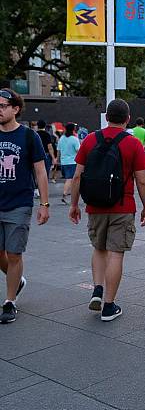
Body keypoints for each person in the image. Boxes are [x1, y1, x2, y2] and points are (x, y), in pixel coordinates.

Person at [69, 99, 145, 322]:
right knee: (116, 253)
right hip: (122, 206)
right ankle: (109, 305)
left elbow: (77, 176)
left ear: (107, 117)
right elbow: (142, 180)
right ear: (127, 119)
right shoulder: (133, 143)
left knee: (99, 248)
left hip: (95, 205)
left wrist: (75, 204)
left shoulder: (89, 140)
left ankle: (97, 288)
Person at [0, 89, 49, 324]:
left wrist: (45, 204)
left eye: (2, 106)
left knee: (14, 253)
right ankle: (17, 280)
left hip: (19, 203)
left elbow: (40, 171)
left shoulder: (29, 137)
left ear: (15, 109)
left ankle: (9, 301)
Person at [57, 122, 80, 204]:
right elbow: (78, 151)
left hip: (64, 162)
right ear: (73, 129)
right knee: (70, 179)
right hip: (73, 162)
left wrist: (57, 160)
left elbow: (58, 150)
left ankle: (70, 192)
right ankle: (65, 194)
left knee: (70, 179)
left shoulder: (61, 139)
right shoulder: (74, 139)